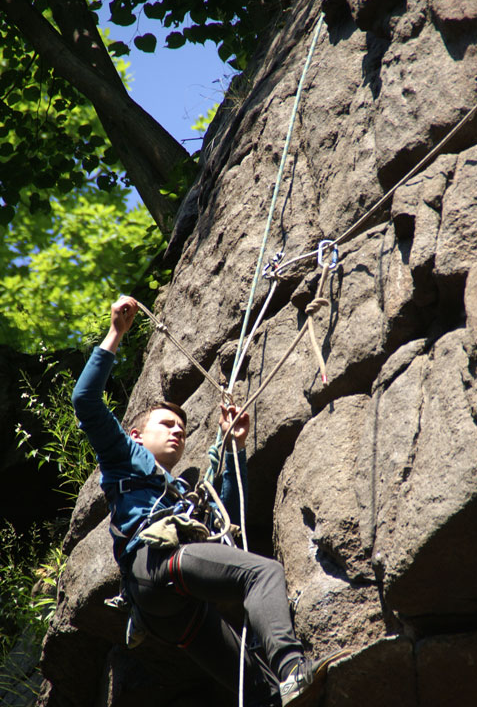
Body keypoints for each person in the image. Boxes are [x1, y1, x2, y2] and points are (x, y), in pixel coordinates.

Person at [72, 295, 323, 707]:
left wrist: (235, 448)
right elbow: (85, 400)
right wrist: (116, 332)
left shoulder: (180, 493)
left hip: (168, 608)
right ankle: (293, 668)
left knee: (256, 688)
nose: (177, 432)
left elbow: (223, 528)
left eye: (182, 429)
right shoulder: (123, 454)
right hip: (156, 563)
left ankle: (282, 695)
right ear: (136, 435)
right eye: (166, 424)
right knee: (261, 575)